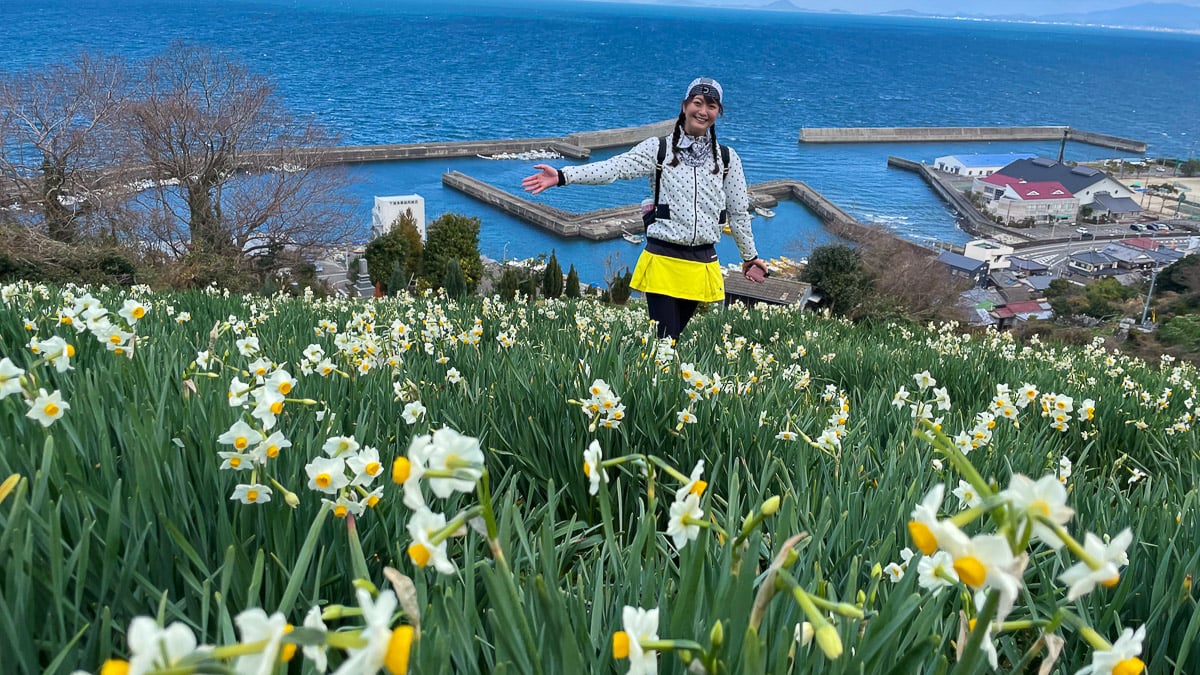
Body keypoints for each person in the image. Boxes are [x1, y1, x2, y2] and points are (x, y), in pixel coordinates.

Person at [522, 76, 768, 341]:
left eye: (712, 106)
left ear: (719, 112)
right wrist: (562, 175)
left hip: (701, 263)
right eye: (698, 103)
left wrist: (749, 256)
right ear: (684, 105)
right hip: (663, 258)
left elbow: (739, 212)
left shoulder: (728, 158)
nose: (703, 111)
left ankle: (656, 380)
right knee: (664, 340)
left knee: (671, 340)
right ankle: (655, 380)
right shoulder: (659, 149)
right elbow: (615, 168)